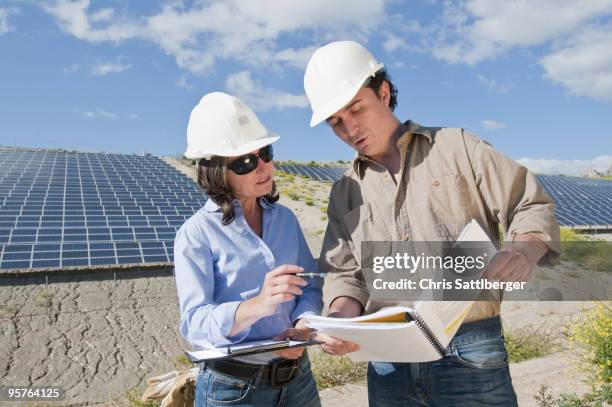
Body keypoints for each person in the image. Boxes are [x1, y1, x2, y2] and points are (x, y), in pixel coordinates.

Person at [303, 41, 561, 406]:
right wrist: (339, 322)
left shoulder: (458, 148)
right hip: (388, 364)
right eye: (336, 123)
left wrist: (524, 250)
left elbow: (530, 204)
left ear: (383, 92)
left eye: (356, 109)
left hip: (469, 349)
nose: (350, 129)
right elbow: (345, 275)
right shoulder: (344, 192)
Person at [174, 92, 322, 407]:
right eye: (245, 162)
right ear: (216, 172)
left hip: (298, 381)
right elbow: (195, 323)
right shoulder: (196, 234)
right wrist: (258, 305)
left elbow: (309, 286)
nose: (262, 167)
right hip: (234, 390)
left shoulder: (285, 219)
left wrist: (303, 323)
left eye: (265, 153)